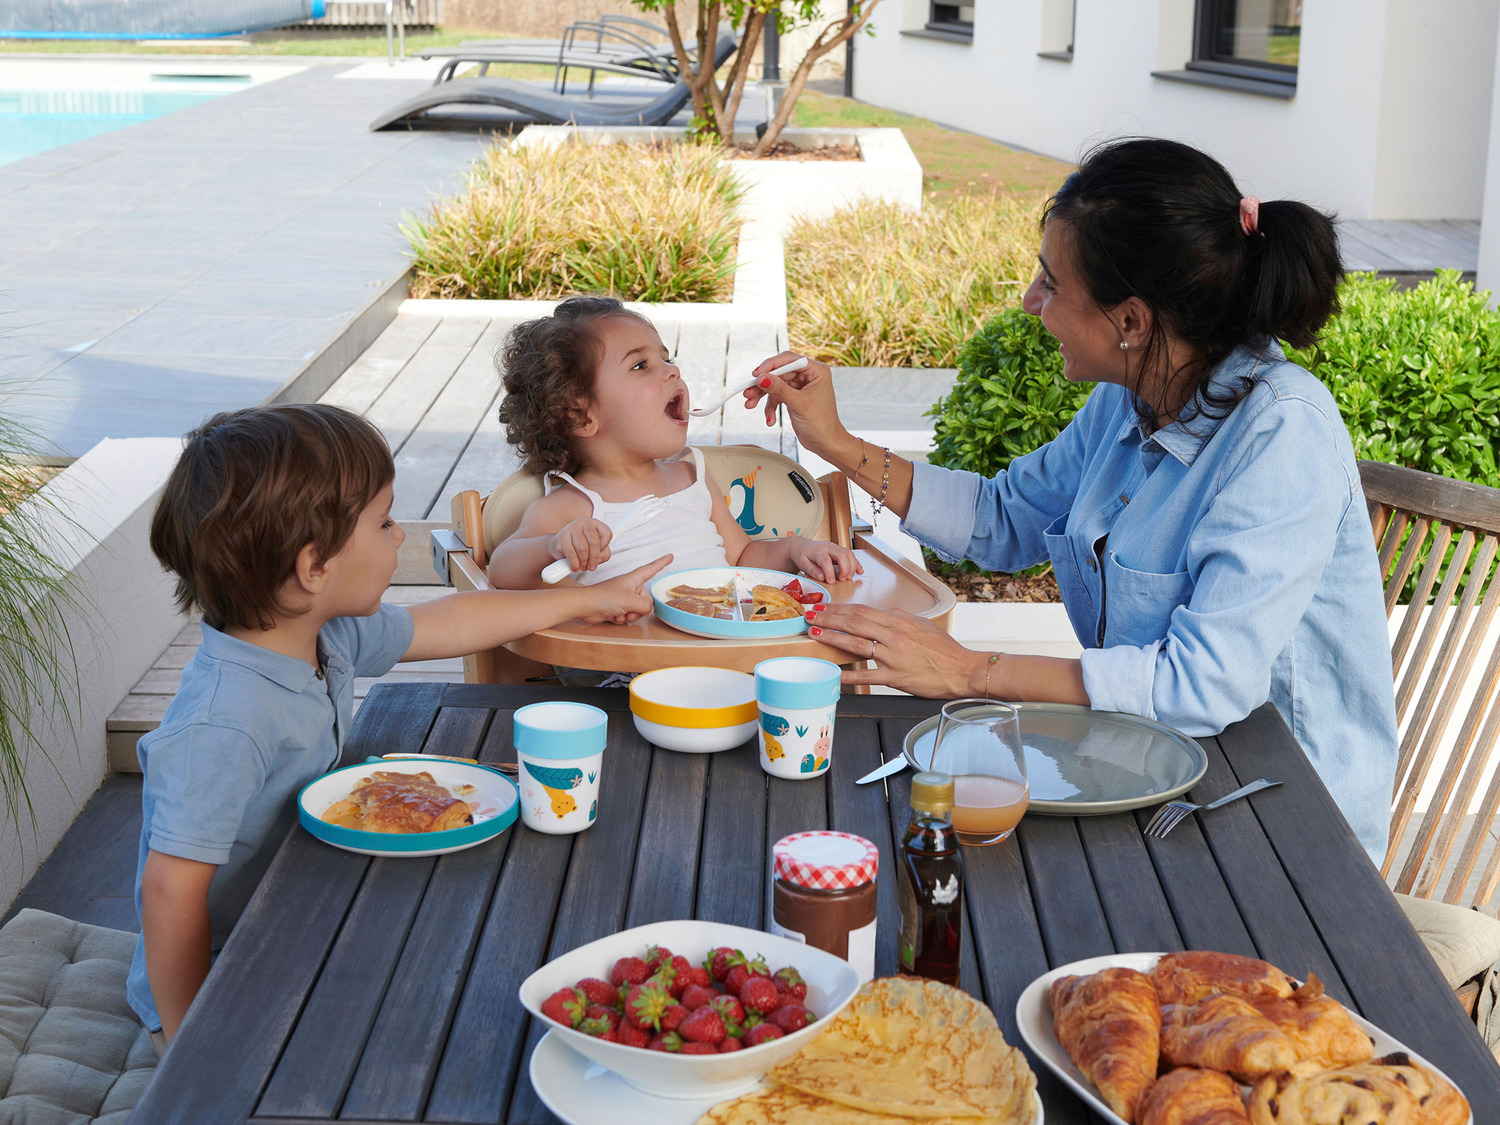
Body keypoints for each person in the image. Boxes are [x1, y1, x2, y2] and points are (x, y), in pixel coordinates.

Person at [744, 137, 1399, 859]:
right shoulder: (1137, 395)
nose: (1031, 303)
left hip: (1277, 822)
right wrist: (837, 443)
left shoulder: (1281, 432)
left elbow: (1201, 684)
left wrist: (970, 671)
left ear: (1131, 321)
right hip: (1142, 777)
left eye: (1051, 285)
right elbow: (1003, 518)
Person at [129, 404, 670, 1051]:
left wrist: (590, 597)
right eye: (384, 521)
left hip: (302, 902)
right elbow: (168, 892)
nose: (397, 537)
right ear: (313, 568)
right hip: (223, 968)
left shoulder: (321, 631)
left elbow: (454, 620)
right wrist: (189, 1042)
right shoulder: (224, 722)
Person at [485, 295, 861, 591]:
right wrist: (554, 545)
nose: (672, 370)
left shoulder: (692, 478)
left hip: (722, 651)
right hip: (627, 672)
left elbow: (744, 555)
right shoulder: (569, 506)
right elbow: (502, 570)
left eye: (666, 358)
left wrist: (798, 550)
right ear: (580, 415)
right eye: (640, 366)